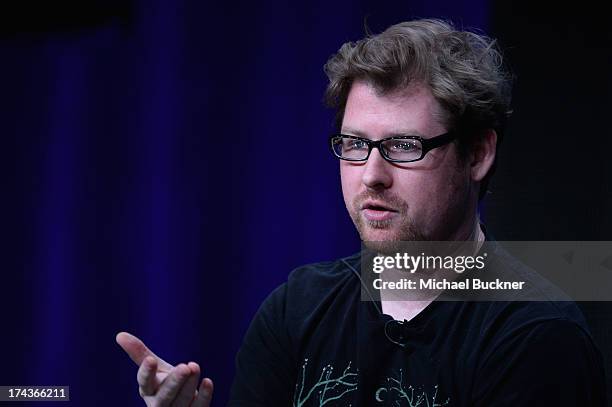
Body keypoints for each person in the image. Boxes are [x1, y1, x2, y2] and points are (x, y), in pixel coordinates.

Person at [117, 19, 606, 406]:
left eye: (404, 145)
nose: (372, 174)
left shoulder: (535, 336)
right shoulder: (298, 309)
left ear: (477, 155)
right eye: (355, 144)